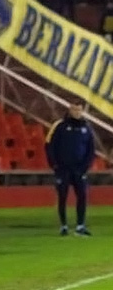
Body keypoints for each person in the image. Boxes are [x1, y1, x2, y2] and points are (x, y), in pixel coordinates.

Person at [45, 100, 95, 236]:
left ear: (82, 111)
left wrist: (86, 167)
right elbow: (50, 146)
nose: (76, 113)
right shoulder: (60, 126)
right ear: (69, 110)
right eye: (74, 110)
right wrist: (54, 165)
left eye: (79, 110)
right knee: (62, 196)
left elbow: (91, 150)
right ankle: (63, 225)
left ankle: (80, 226)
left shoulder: (87, 128)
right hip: (63, 169)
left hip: (80, 169)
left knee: (82, 196)